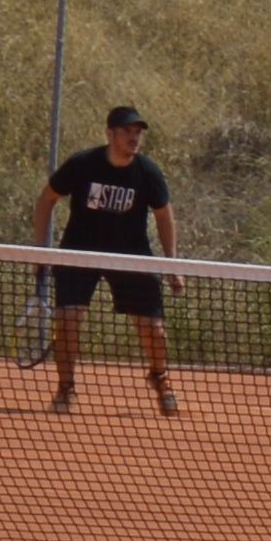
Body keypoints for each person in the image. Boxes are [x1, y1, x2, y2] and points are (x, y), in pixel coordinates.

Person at [33, 106, 181, 416]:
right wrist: (41, 251)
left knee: (153, 329)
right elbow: (46, 200)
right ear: (110, 134)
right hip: (78, 251)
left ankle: (160, 376)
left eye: (138, 132)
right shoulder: (82, 164)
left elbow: (165, 217)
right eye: (127, 131)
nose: (134, 137)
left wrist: (172, 265)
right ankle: (66, 388)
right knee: (68, 318)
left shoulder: (147, 172)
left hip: (131, 254)